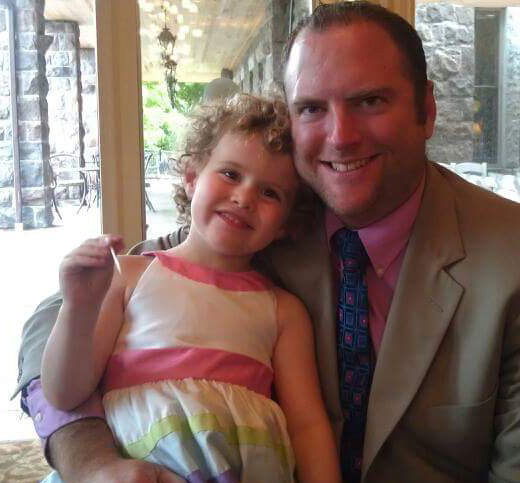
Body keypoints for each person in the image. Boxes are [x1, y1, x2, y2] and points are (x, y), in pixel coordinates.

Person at [14, 2, 520, 482]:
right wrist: (91, 461)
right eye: (311, 108)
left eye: (370, 101)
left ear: (426, 110)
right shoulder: (267, 219)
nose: (340, 136)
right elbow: (58, 314)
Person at [37, 94, 340, 483]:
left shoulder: (283, 311)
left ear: (286, 223)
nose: (244, 197)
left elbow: (307, 426)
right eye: (230, 174)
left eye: (270, 193)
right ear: (192, 176)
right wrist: (77, 307)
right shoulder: (130, 275)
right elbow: (65, 393)